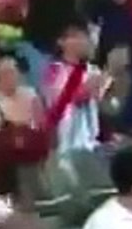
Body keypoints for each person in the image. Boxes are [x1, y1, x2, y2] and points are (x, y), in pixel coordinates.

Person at [41, 21, 107, 154]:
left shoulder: (93, 70)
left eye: (85, 37)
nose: (83, 41)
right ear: (62, 42)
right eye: (77, 37)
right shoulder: (54, 70)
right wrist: (106, 73)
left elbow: (103, 102)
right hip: (66, 145)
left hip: (90, 143)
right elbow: (66, 100)